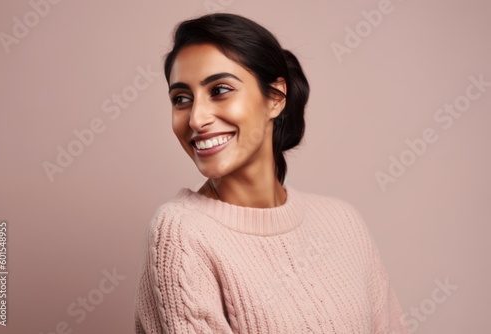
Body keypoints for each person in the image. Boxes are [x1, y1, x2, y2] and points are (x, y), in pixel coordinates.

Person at [133, 12, 409, 333]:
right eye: (181, 99)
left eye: (220, 90)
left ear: (276, 97)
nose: (196, 118)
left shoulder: (343, 221)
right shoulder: (181, 234)